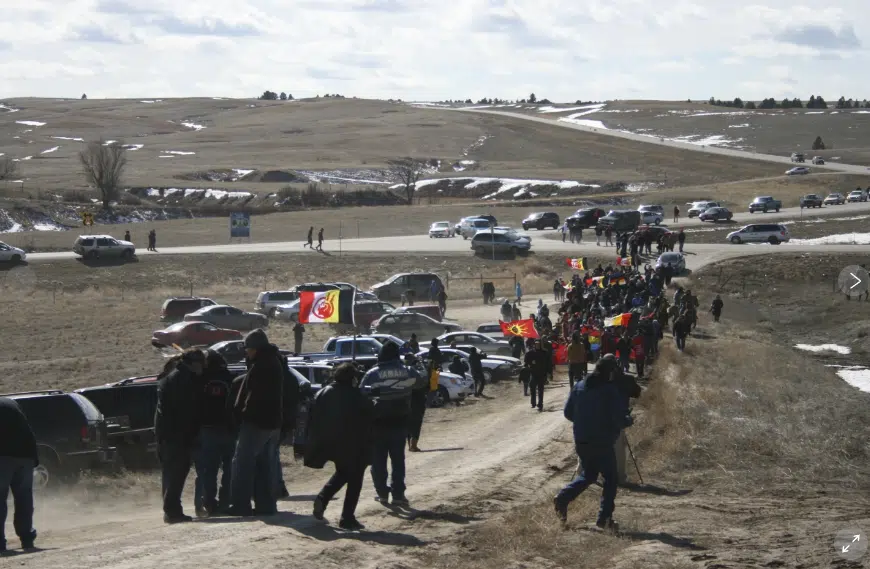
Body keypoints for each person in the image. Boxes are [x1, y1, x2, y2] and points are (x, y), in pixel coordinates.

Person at [553, 354, 628, 529]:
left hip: (581, 439)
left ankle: (563, 497)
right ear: (610, 372)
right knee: (610, 479)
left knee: (589, 474)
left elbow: (568, 413)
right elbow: (617, 418)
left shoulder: (579, 386)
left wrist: (584, 422)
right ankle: (604, 519)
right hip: (602, 441)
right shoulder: (609, 390)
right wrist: (627, 420)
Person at [307, 363, 374, 531]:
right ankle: (347, 517)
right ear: (351, 378)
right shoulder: (355, 395)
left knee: (344, 472)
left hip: (329, 443)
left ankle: (323, 499)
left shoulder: (323, 392)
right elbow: (368, 414)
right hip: (353, 443)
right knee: (355, 477)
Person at [359, 342, 425, 507]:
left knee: (378, 461)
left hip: (376, 424)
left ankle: (382, 493)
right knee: (398, 461)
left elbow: (362, 394)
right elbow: (421, 382)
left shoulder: (372, 374)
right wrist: (418, 365)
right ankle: (398, 494)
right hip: (399, 423)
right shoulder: (408, 371)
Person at [229, 329, 283, 517]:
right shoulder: (272, 362)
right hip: (270, 422)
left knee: (242, 463)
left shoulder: (262, 366)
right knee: (263, 465)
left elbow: (254, 397)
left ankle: (240, 505)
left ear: (256, 349)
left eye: (249, 348)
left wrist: (243, 413)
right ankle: (265, 505)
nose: (246, 352)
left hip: (257, 421)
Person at [155, 349, 205, 523]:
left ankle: (171, 510)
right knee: (176, 473)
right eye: (200, 363)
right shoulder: (182, 380)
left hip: (169, 434)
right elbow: (184, 411)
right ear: (193, 363)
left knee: (171, 474)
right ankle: (172, 511)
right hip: (176, 435)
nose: (202, 367)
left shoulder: (176, 377)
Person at [193, 350, 235, 517]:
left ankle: (209, 502)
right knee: (229, 469)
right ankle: (226, 501)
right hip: (228, 429)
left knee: (208, 470)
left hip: (207, 429)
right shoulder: (229, 378)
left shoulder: (201, 380)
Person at [0, 396, 39, 552]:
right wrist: (34, 458)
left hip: (2, 458)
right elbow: (28, 430)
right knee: (24, 498)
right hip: (25, 456)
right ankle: (27, 539)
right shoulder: (11, 403)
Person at [405, 354, 427, 452]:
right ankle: (413, 444)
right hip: (417, 399)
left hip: (406, 400)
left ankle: (410, 444)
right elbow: (424, 381)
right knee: (416, 422)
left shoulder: (402, 370)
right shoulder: (417, 370)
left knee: (408, 423)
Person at [525, 340, 549, 411]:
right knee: (532, 388)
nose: (537, 345)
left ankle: (540, 404)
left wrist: (549, 373)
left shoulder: (544, 353)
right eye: (536, 344)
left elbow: (548, 363)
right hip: (533, 373)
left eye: (538, 344)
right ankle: (533, 403)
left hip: (542, 374)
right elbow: (526, 362)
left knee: (541, 390)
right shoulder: (530, 353)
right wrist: (531, 363)